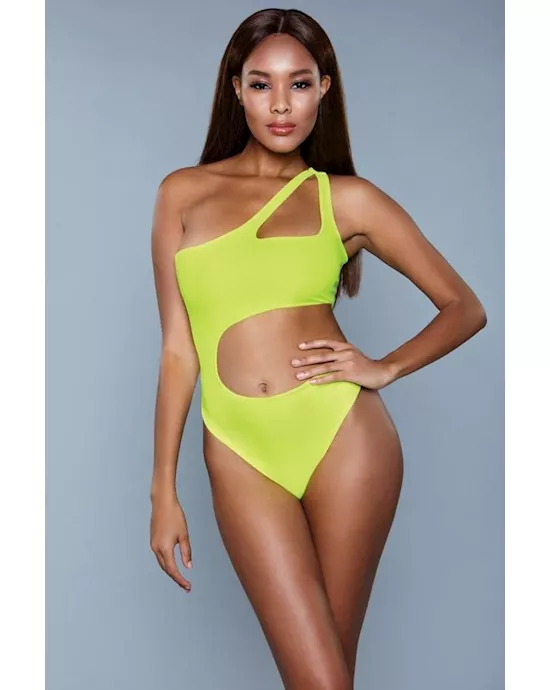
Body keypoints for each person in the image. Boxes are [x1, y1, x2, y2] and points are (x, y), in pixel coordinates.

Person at [149, 8, 487, 689]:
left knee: (326, 680)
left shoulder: (348, 200)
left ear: (324, 90)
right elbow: (179, 350)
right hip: (238, 450)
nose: (280, 104)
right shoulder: (182, 193)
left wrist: (384, 367)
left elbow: (464, 307)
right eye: (261, 84)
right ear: (236, 89)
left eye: (299, 84)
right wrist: (163, 489)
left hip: (343, 440)